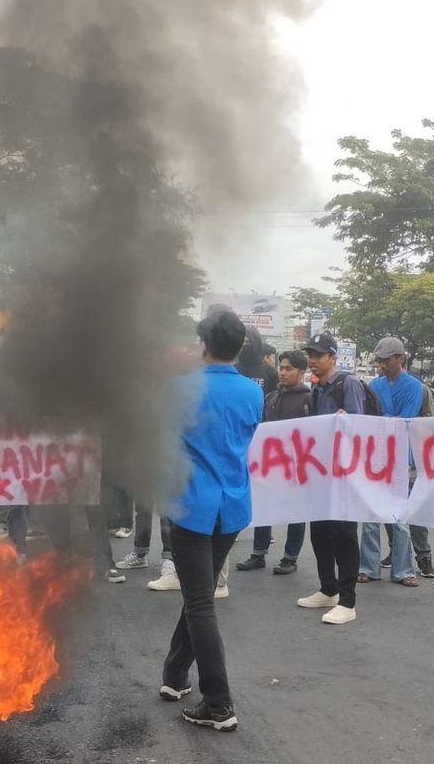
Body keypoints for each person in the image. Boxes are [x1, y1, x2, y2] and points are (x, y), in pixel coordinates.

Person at [159, 310, 260, 731]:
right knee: (198, 593)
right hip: (232, 507)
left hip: (191, 507)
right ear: (239, 347)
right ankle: (174, 676)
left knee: (200, 602)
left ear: (203, 343)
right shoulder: (253, 392)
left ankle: (218, 703)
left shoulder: (179, 389)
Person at [296, 332, 372, 623]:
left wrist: (345, 421)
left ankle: (347, 601)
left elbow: (358, 426)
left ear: (332, 357)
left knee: (343, 535)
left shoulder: (347, 383)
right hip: (322, 472)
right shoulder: (317, 388)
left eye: (317, 355)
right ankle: (328, 589)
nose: (312, 360)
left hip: (344, 473)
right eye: (310, 355)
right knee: (319, 532)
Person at [236, 350, 310, 575]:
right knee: (263, 506)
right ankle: (258, 554)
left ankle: (290, 558)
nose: (283, 372)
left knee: (296, 512)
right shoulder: (271, 398)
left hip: (297, 467)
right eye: (281, 368)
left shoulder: (309, 399)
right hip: (270, 464)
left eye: (289, 369)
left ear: (301, 372)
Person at [359, 337, 424, 587]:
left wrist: (383, 419)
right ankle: (368, 567)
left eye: (386, 360)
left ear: (400, 359)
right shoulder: (374, 385)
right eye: (380, 361)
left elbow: (405, 421)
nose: (382, 365)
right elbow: (367, 417)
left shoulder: (415, 387)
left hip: (400, 455)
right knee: (370, 514)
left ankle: (404, 569)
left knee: (399, 516)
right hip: (375, 454)